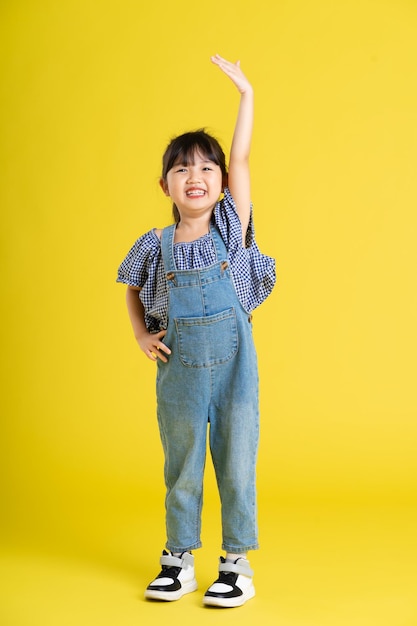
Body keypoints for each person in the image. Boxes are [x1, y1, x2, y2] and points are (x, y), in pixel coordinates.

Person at [117, 54, 276, 608]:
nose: (196, 177)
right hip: (177, 373)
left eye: (207, 168)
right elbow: (132, 287)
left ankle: (235, 564)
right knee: (181, 464)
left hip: (234, 372)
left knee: (236, 462)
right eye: (182, 169)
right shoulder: (153, 244)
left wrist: (246, 95)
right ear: (165, 183)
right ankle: (178, 558)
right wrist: (140, 335)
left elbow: (243, 156)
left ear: (222, 183)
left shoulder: (232, 230)